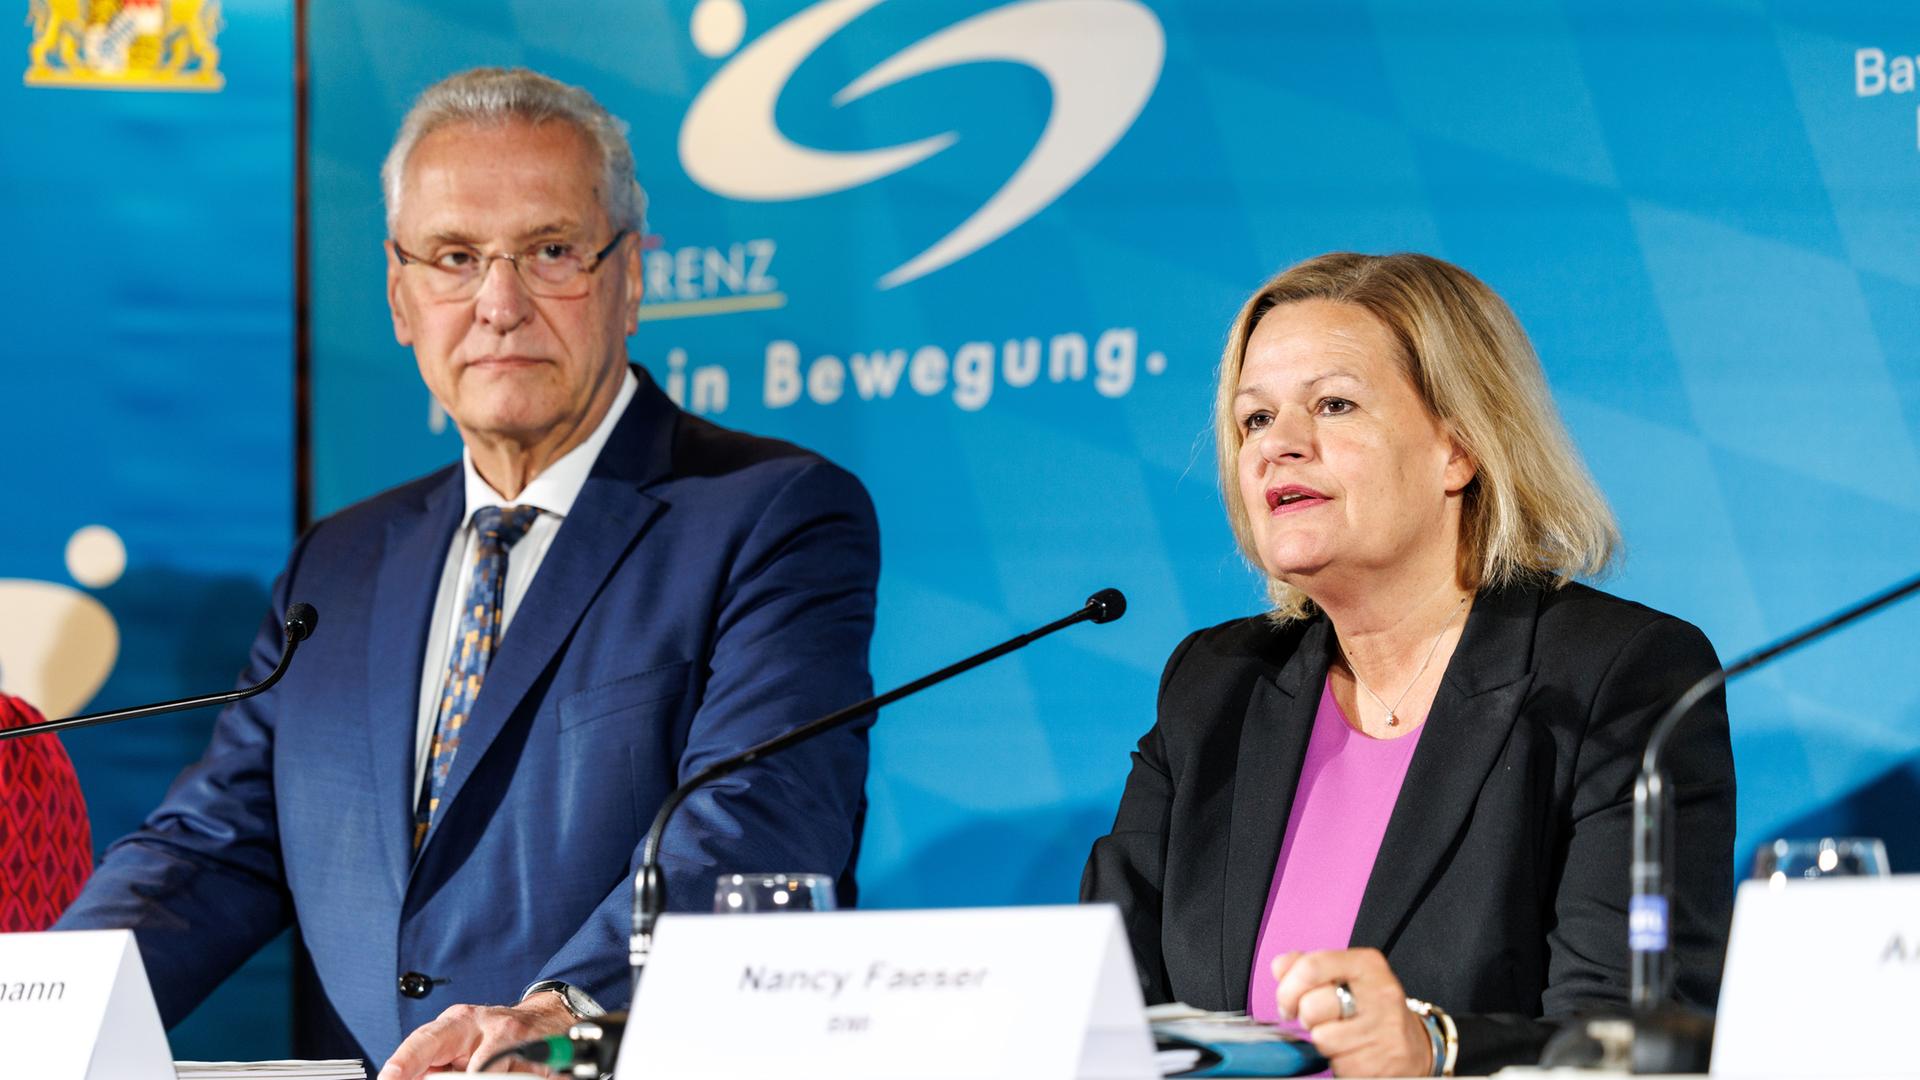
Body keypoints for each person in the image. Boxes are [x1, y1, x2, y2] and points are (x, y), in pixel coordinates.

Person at [58, 67, 880, 1079]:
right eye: (454, 257)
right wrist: (46, 1006)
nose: (499, 305)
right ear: (402, 296)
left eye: (549, 252)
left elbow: (759, 818)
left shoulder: (769, 514)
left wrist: (569, 1019)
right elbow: (213, 845)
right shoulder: (342, 559)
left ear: (632, 279)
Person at [1081, 253, 1734, 1076]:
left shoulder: (1617, 677)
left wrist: (1437, 1048)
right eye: (1254, 420)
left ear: (1459, 446)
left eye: (1334, 405)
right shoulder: (1215, 688)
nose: (1279, 445)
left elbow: (1636, 1039)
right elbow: (1105, 1001)